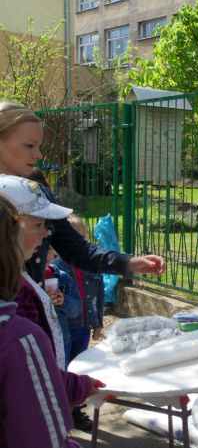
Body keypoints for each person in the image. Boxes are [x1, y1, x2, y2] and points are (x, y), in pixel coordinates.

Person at [0, 100, 166, 289]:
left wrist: (128, 263)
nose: (38, 155)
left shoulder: (38, 194)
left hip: (28, 313)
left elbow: (75, 249)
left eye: (39, 146)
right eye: (30, 145)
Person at [0, 175, 104, 431]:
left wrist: (75, 386)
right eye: (38, 224)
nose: (47, 233)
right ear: (9, 230)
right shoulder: (17, 300)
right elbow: (30, 380)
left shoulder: (21, 285)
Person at [52, 214, 105, 431]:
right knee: (63, 370)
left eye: (82, 238)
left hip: (83, 326)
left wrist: (98, 324)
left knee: (78, 367)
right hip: (65, 329)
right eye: (73, 239)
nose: (78, 244)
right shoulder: (57, 268)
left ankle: (75, 411)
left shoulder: (91, 266)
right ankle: (63, 412)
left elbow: (99, 295)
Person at [45, 246, 83, 370]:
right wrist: (42, 299)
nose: (45, 253)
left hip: (61, 339)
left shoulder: (63, 278)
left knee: (61, 375)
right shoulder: (26, 279)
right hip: (40, 340)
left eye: (49, 248)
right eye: (40, 248)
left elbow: (77, 309)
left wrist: (64, 301)